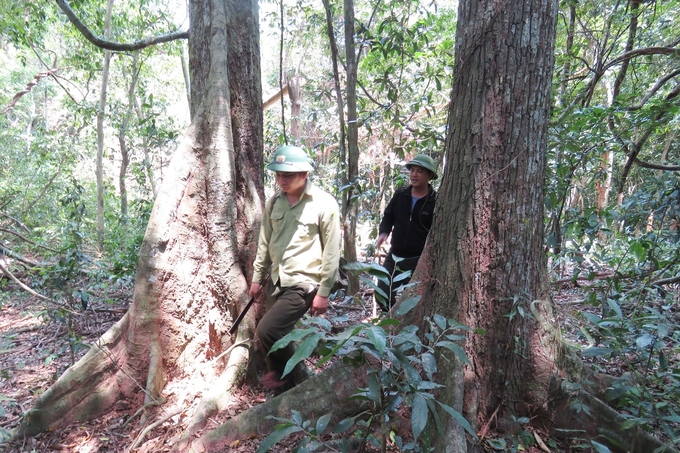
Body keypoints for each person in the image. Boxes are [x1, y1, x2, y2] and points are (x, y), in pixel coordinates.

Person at [249, 145, 341, 393]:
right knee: (273, 334)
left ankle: (283, 380)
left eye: (288, 175)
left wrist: (323, 292)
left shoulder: (324, 203)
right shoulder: (274, 203)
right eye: (278, 175)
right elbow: (265, 242)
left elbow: (332, 251)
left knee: (268, 330)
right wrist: (257, 278)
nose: (282, 180)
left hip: (305, 283)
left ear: (304, 174)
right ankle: (285, 386)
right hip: (279, 280)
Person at [375, 154, 438, 310]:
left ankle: (406, 326)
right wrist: (383, 233)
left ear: (429, 175)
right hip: (395, 256)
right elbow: (388, 216)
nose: (414, 175)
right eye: (412, 170)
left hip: (419, 259)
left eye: (420, 171)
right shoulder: (401, 195)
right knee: (382, 293)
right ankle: (390, 321)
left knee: (415, 300)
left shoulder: (435, 200)